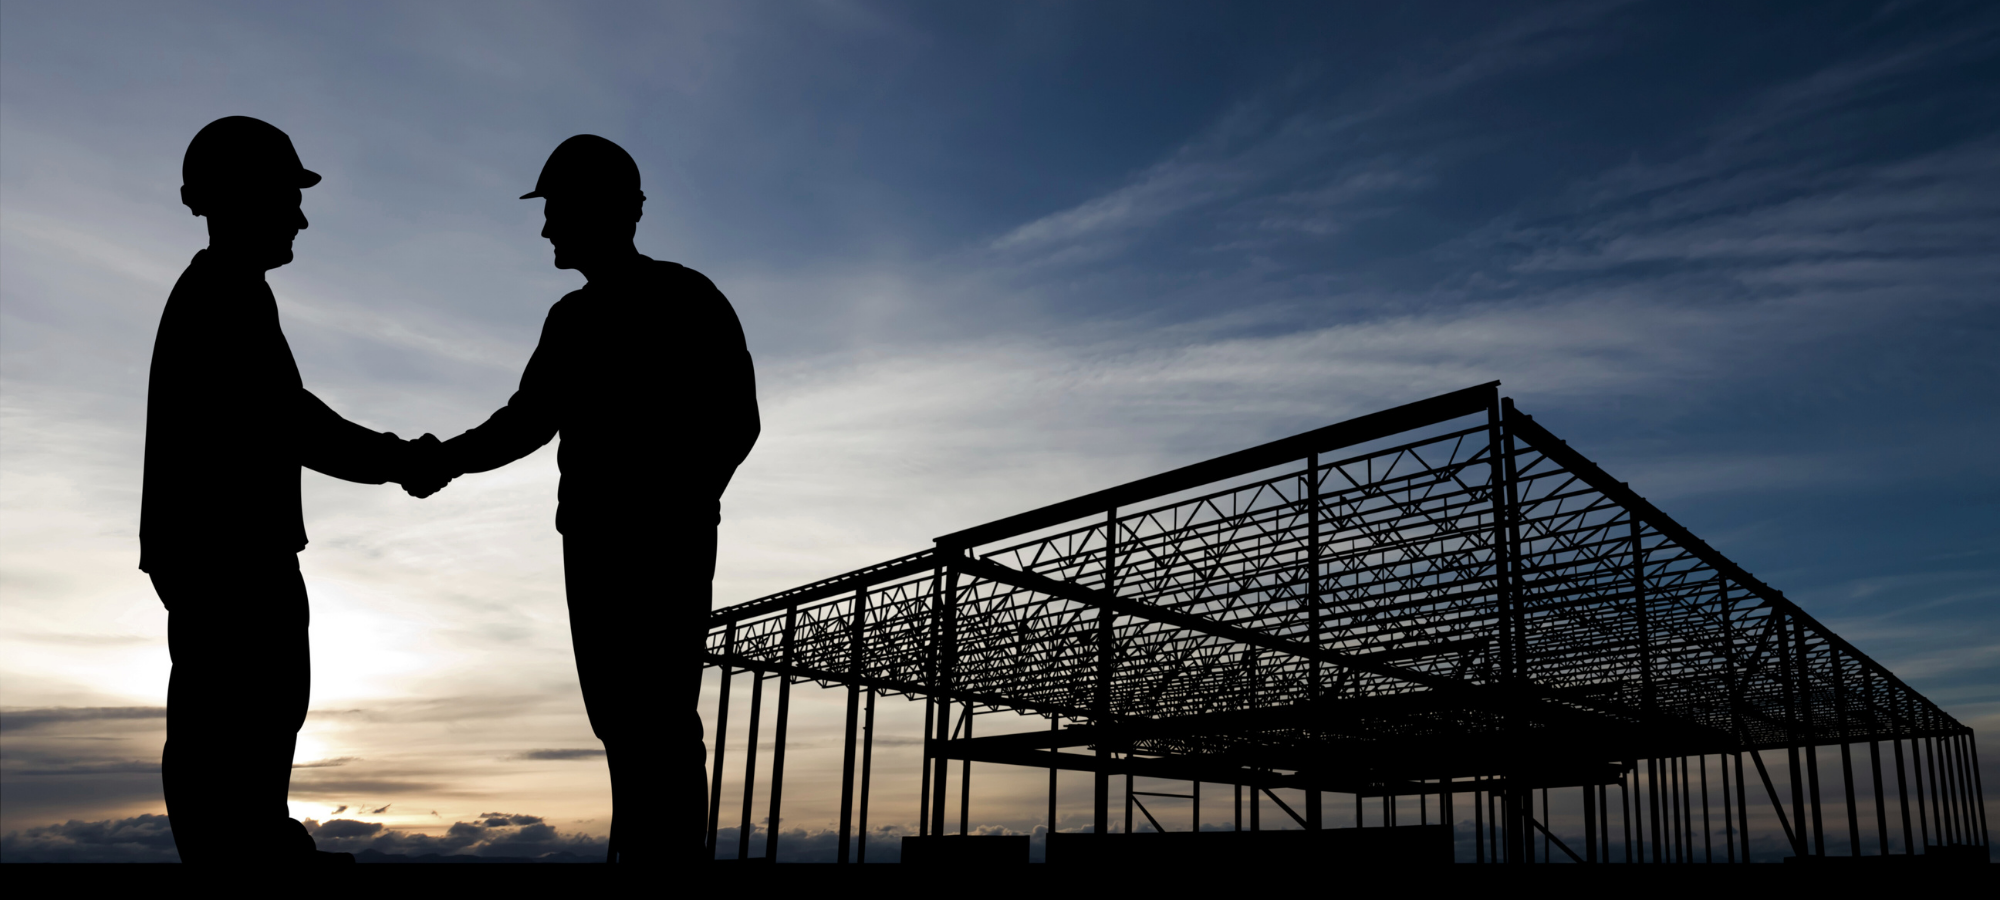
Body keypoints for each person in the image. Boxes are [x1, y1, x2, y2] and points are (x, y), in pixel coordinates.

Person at [408, 134, 759, 864]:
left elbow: (736, 420)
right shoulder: (573, 319)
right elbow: (527, 421)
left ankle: (662, 867)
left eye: (557, 210)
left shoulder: (686, 297)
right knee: (624, 718)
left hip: (656, 543)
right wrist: (446, 459)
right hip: (598, 543)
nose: (545, 229)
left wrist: (674, 503)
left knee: (656, 716)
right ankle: (642, 860)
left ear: (606, 210)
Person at [142, 116, 446, 864]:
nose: (301, 215)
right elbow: (291, 422)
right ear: (241, 195)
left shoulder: (226, 292)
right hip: (233, 556)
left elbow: (285, 418)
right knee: (242, 720)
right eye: (288, 194)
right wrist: (401, 459)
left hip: (221, 552)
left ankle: (257, 849)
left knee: (242, 723)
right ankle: (249, 861)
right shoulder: (224, 296)